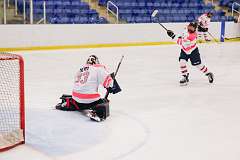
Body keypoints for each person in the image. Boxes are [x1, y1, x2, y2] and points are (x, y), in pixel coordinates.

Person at [56, 55, 121, 122]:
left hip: (76, 99)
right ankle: (97, 112)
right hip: (90, 101)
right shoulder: (98, 68)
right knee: (104, 101)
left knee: (80, 99)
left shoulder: (80, 70)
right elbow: (110, 84)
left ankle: (71, 104)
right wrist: (112, 83)